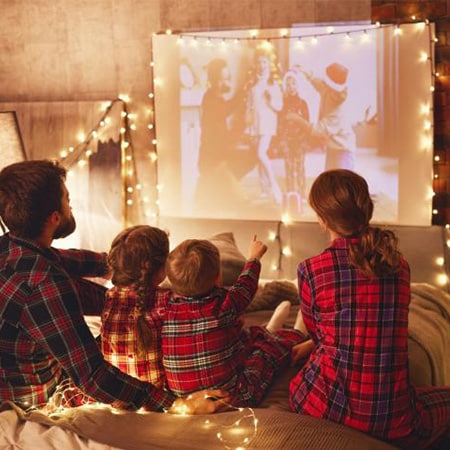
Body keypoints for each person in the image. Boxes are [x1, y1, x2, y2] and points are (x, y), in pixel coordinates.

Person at [0, 159, 227, 414]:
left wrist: (122, 264)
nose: (70, 204)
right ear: (54, 217)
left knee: (117, 303)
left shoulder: (11, 248)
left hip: (17, 367)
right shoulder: (45, 285)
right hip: (33, 396)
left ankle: (130, 302)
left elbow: (66, 259)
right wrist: (176, 403)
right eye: (66, 199)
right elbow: (92, 376)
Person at [289, 169, 450, 449]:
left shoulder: (310, 270)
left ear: (323, 219)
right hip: (395, 420)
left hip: (323, 405)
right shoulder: (399, 266)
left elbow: (319, 333)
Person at [162, 236, 314, 407]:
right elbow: (246, 284)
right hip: (233, 397)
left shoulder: (165, 309)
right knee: (266, 353)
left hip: (186, 400)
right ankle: (298, 332)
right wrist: (254, 257)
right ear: (218, 277)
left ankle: (270, 329)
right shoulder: (225, 305)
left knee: (244, 338)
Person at [101, 225, 170, 388]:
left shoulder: (110, 297)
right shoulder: (167, 300)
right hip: (156, 394)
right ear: (160, 267)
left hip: (117, 392)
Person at [194, 58, 246, 216]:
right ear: (213, 79)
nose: (224, 82)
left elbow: (227, 109)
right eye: (221, 79)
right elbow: (225, 112)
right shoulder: (211, 100)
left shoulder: (215, 98)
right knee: (235, 197)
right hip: (213, 158)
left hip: (215, 157)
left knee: (220, 195)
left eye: (226, 78)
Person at [298, 62, 356, 171]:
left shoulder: (338, 111)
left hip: (343, 150)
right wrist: (307, 74)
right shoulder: (330, 90)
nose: (324, 83)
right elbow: (319, 84)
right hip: (333, 147)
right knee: (330, 181)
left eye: (326, 82)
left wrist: (297, 119)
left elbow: (318, 129)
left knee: (341, 184)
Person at [245, 46, 283, 204]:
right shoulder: (253, 85)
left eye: (264, 62)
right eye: (259, 62)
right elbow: (248, 107)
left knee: (262, 153)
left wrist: (270, 99)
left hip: (267, 124)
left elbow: (279, 106)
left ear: (269, 64)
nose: (262, 65)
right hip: (255, 125)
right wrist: (247, 126)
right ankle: (264, 189)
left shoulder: (273, 85)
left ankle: (275, 186)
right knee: (259, 157)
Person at [278, 69, 310, 206]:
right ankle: (291, 192)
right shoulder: (282, 104)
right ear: (286, 86)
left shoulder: (303, 103)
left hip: (300, 140)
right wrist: (282, 141)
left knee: (300, 167)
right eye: (289, 84)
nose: (291, 87)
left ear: (298, 86)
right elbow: (280, 123)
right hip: (287, 140)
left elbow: (307, 124)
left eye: (294, 84)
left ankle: (302, 194)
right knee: (289, 167)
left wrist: (305, 141)